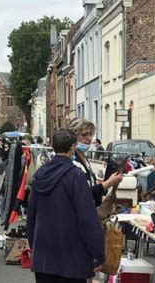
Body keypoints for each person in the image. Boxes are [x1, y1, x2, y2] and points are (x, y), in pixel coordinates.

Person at [27, 129, 104, 283]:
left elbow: (31, 217)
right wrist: (97, 254)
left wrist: (34, 246)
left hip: (44, 256)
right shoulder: (75, 176)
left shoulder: (40, 174)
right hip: (73, 257)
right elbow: (88, 219)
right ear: (73, 147)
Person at [68, 118, 123, 207]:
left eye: (90, 134)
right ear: (73, 137)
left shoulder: (84, 158)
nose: (89, 138)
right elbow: (84, 193)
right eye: (84, 135)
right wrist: (109, 183)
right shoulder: (73, 161)